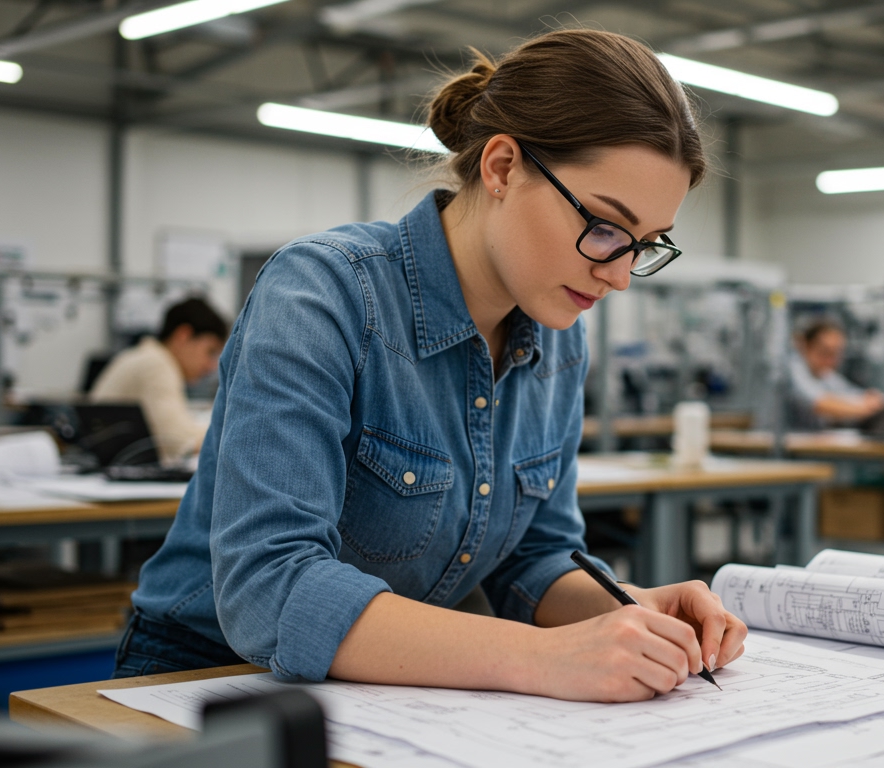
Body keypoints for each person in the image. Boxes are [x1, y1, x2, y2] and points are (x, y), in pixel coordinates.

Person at [114, 29, 747, 703]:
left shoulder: (557, 337)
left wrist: (626, 612)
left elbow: (533, 560)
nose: (620, 275)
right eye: (604, 228)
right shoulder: (324, 294)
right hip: (205, 677)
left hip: (386, 689)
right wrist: (543, 657)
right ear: (503, 167)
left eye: (645, 246)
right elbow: (269, 588)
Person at [90, 297, 227, 460]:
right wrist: (234, 435)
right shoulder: (157, 365)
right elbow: (181, 440)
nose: (211, 366)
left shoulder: (144, 356)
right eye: (210, 351)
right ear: (183, 335)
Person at [787, 319, 884, 430]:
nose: (831, 361)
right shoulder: (791, 370)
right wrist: (864, 408)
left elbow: (847, 393)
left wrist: (869, 398)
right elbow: (820, 404)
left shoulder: (825, 374)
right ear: (805, 345)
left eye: (836, 354)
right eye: (825, 352)